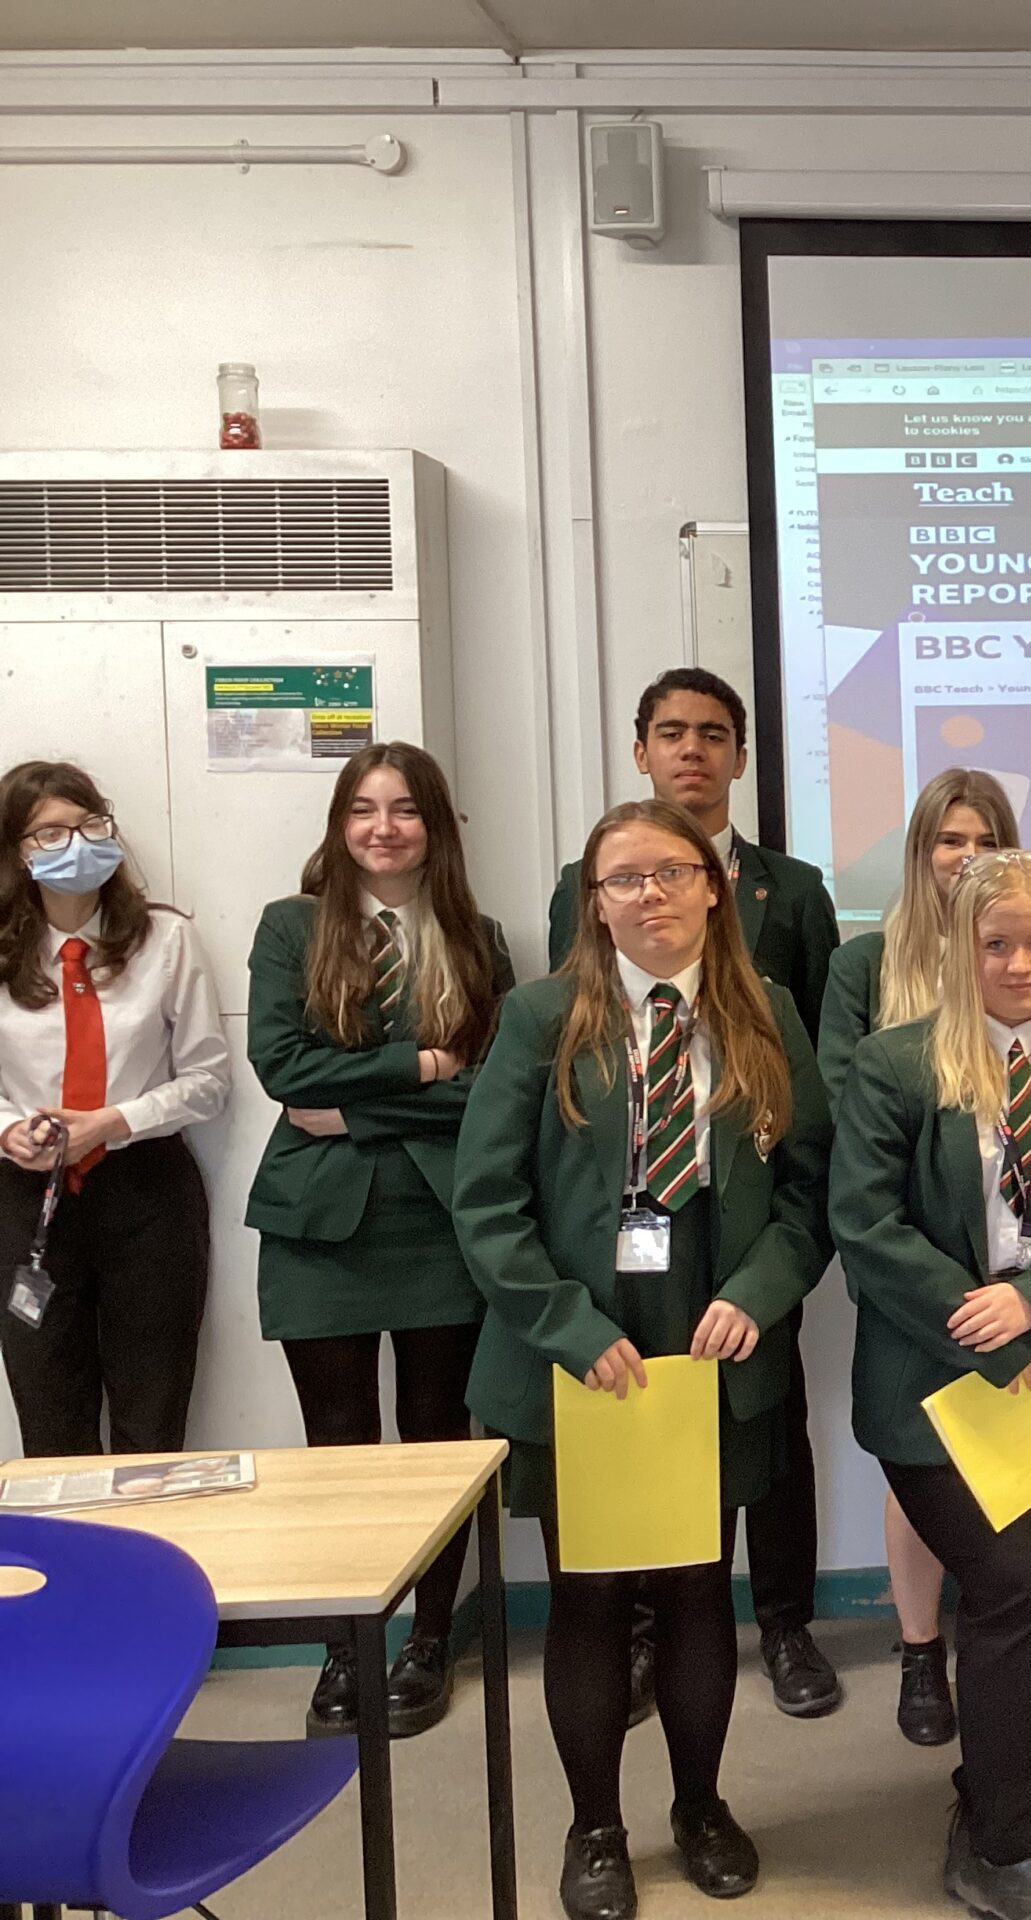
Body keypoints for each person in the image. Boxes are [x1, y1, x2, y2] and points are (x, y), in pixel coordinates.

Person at [455, 799, 832, 1920]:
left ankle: (702, 1808)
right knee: (588, 1599)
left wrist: (760, 1292)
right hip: (582, 1359)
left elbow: (810, 1192)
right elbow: (487, 1206)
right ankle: (595, 1829)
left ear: (713, 888)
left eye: (674, 871)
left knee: (698, 1593)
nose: (652, 894)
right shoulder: (540, 1018)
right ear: (595, 902)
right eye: (625, 878)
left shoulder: (765, 1013)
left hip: (708, 1351)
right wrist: (571, 1329)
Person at [832, 851, 1031, 1920]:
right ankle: (1006, 1855)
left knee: (1030, 1601)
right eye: (995, 943)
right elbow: (863, 1226)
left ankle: (991, 1803)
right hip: (929, 1387)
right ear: (959, 949)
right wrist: (988, 1326)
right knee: (1009, 1589)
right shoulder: (896, 1063)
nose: (1019, 963)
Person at [547, 667, 842, 1721]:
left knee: (766, 1424)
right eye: (670, 732)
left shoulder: (792, 890)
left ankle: (788, 1623)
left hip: (742, 1225)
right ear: (641, 750)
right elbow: (577, 1049)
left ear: (741, 756)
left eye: (713, 733)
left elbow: (811, 1051)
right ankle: (640, 1637)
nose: (691, 750)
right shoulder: (586, 886)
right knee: (634, 1425)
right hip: (624, 1237)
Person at [245, 743, 513, 1742]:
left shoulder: (477, 939)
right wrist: (422, 1068)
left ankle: (429, 1641)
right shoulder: (292, 926)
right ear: (340, 823)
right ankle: (346, 1645)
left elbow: (493, 1091)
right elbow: (282, 1067)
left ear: (435, 827)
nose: (383, 828)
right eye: (363, 808)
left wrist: (355, 1107)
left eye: (404, 809)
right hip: (320, 1228)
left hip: (441, 1222)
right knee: (339, 1448)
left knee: (437, 1442)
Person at [815, 768, 1018, 1748]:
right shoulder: (865, 966)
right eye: (950, 840)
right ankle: (918, 1648)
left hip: (1015, 1272)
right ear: (920, 850)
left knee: (1012, 1463)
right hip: (909, 1271)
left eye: (986, 840)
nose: (967, 858)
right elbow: (841, 1109)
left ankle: (1000, 1636)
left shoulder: (1029, 957)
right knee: (919, 1466)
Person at [0, 761, 228, 1458]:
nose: (76, 845)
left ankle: (147, 1534)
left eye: (90, 825)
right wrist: (8, 1130)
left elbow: (208, 1079)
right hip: (26, 1198)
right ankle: (67, 1539)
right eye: (50, 833)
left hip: (146, 1191)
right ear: (16, 852)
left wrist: (114, 1121)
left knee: (151, 1423)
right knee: (51, 1424)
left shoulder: (166, 939)